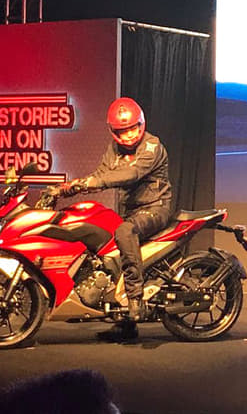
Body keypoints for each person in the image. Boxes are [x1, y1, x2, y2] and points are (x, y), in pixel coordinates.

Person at [59, 97, 172, 339]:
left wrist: (91, 182)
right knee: (103, 238)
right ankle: (124, 324)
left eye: (132, 128)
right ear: (114, 131)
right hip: (130, 212)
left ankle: (135, 298)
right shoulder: (113, 150)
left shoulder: (152, 146)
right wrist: (69, 188)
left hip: (155, 208)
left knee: (124, 232)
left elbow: (131, 174)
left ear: (141, 124)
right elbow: (101, 174)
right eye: (123, 131)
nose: (129, 135)